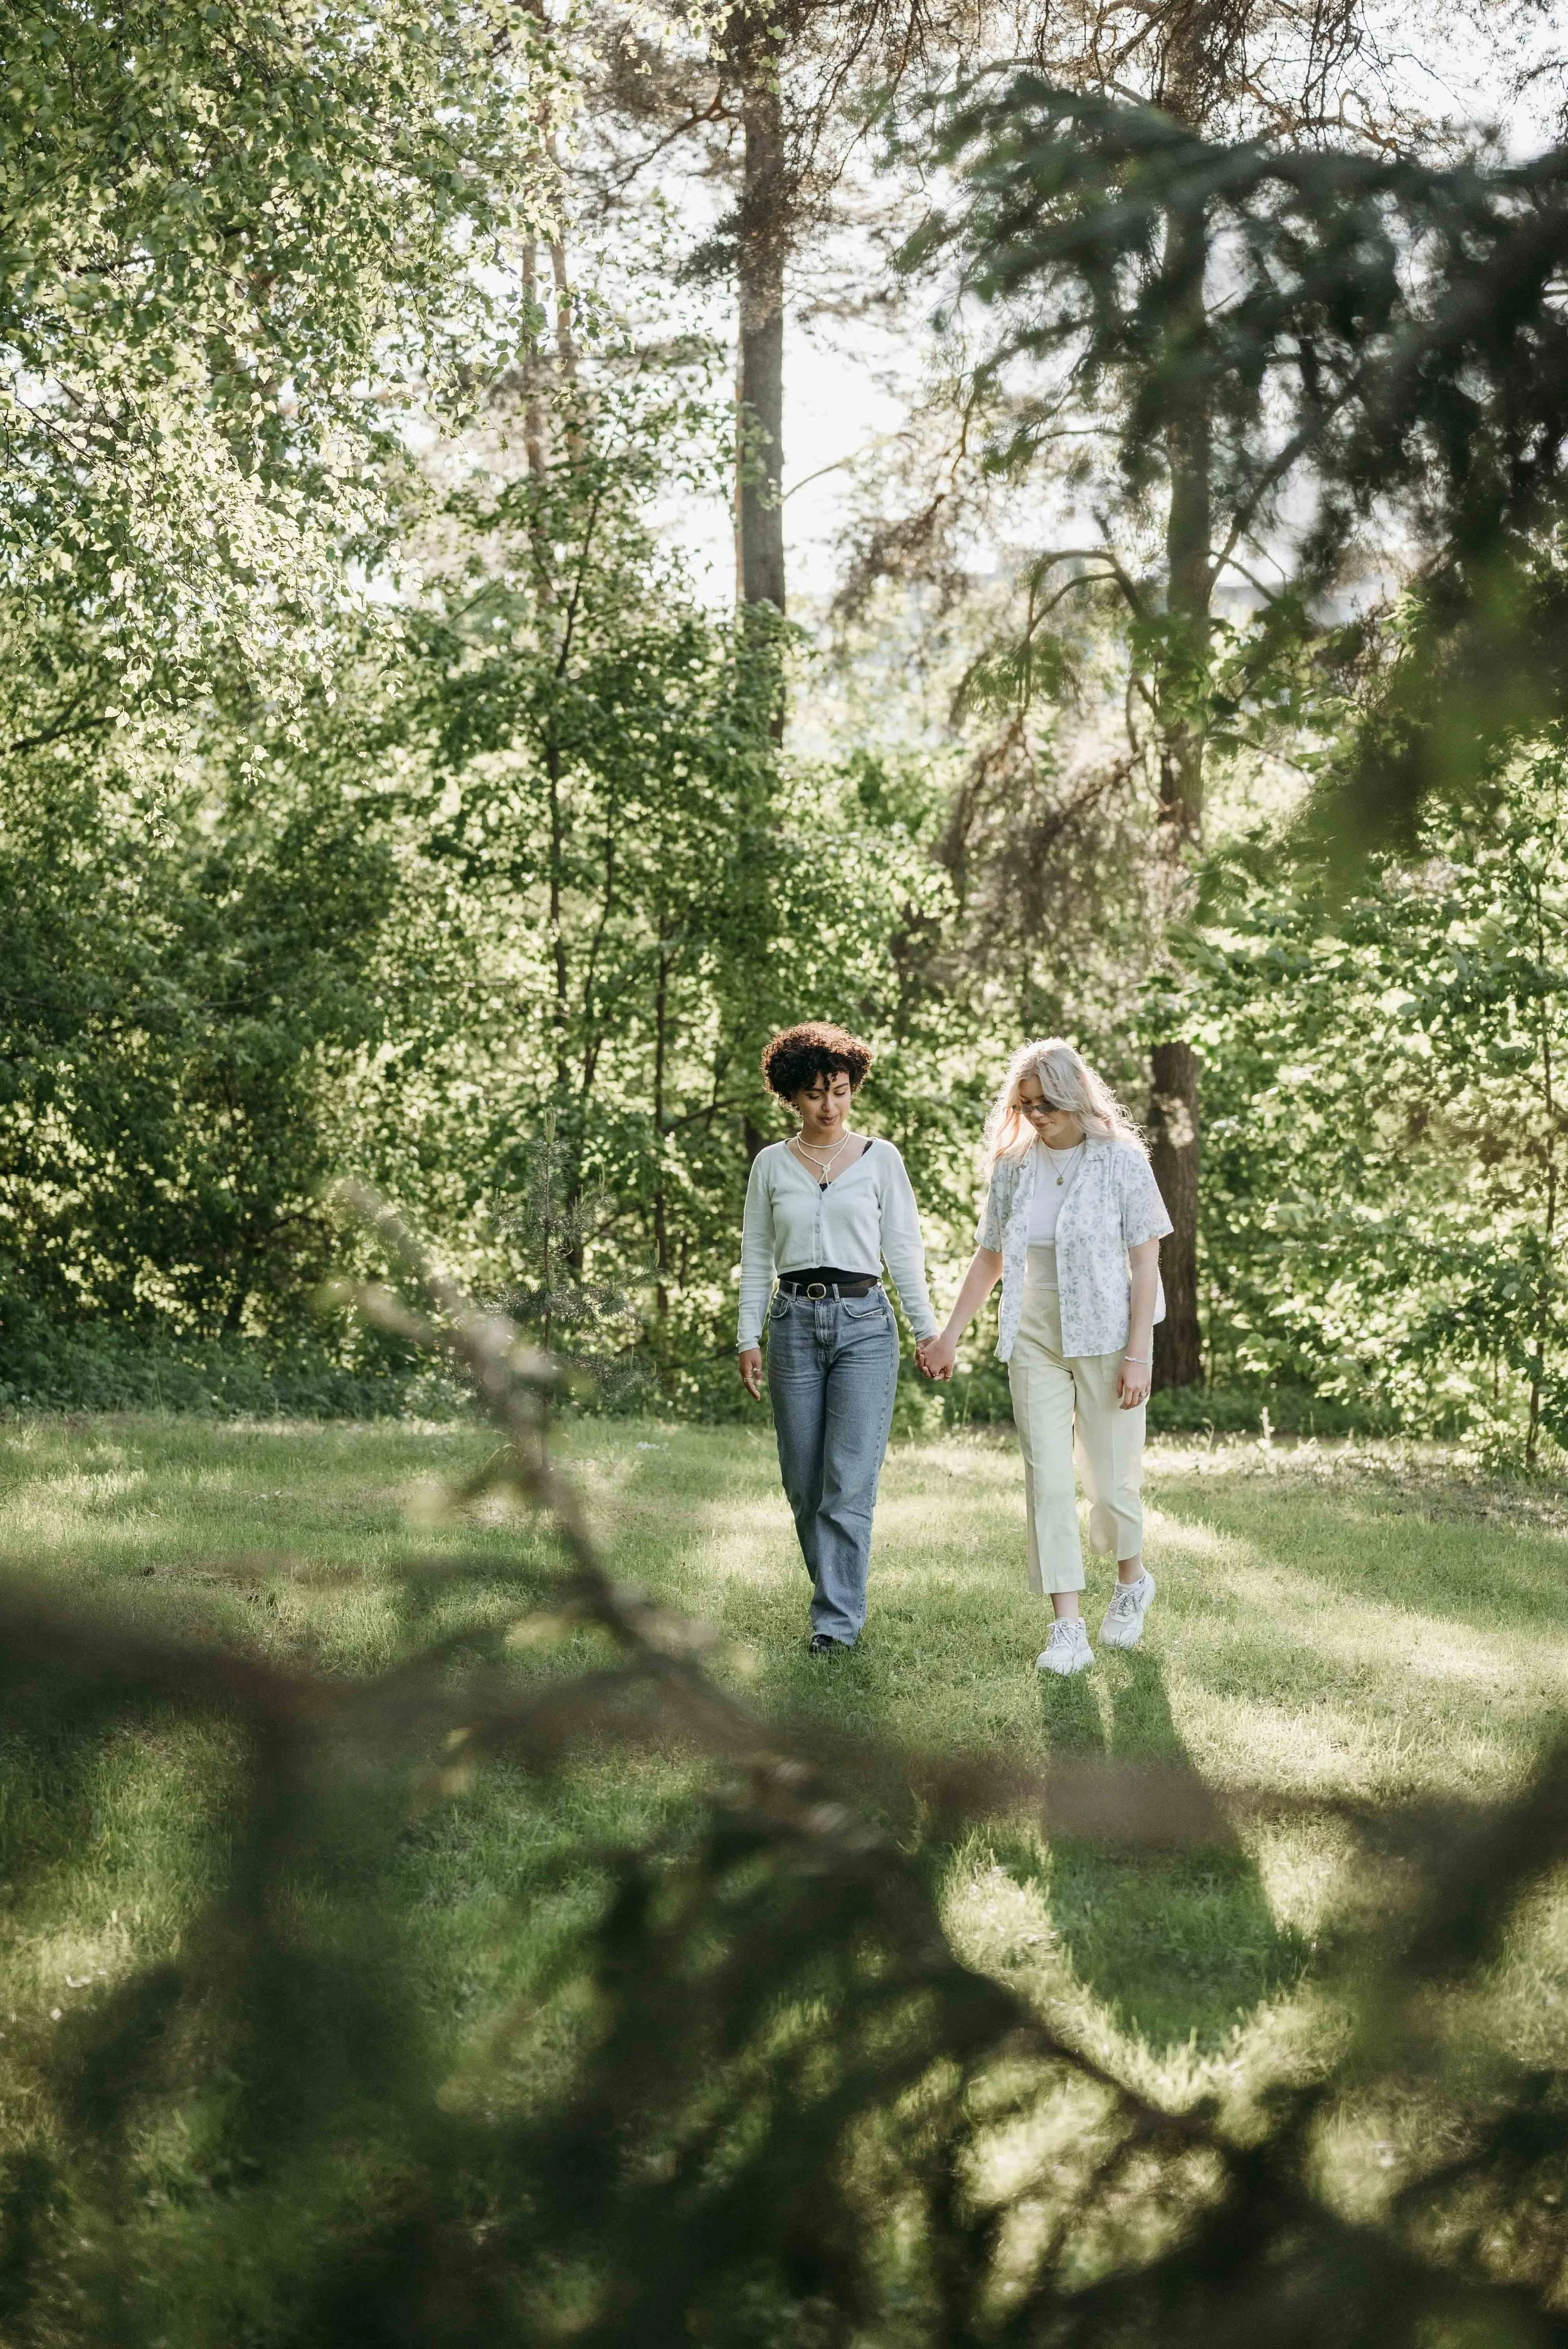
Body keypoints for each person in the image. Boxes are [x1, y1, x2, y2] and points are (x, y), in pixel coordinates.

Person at [917, 1039, 1173, 1677]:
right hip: (1032, 1330)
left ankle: (1131, 1580)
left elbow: (1145, 1263)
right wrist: (949, 1333)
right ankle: (1067, 1628)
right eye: (1024, 1104)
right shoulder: (1013, 1165)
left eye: (1046, 1104)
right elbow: (990, 1257)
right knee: (1047, 1479)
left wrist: (1139, 1354)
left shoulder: (1120, 1160)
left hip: (1109, 1330)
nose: (1035, 1115)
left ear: (1074, 1096)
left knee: (1110, 1482)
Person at [738, 1022, 939, 1655]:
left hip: (864, 1325)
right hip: (793, 1323)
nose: (829, 1106)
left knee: (847, 1482)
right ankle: (836, 1599)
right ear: (791, 1096)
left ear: (853, 1090)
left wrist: (929, 1330)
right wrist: (748, 1337)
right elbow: (756, 1253)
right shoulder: (771, 1165)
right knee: (804, 1484)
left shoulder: (881, 1159)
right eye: (815, 1094)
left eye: (840, 1092)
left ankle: (835, 1626)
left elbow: (903, 1250)